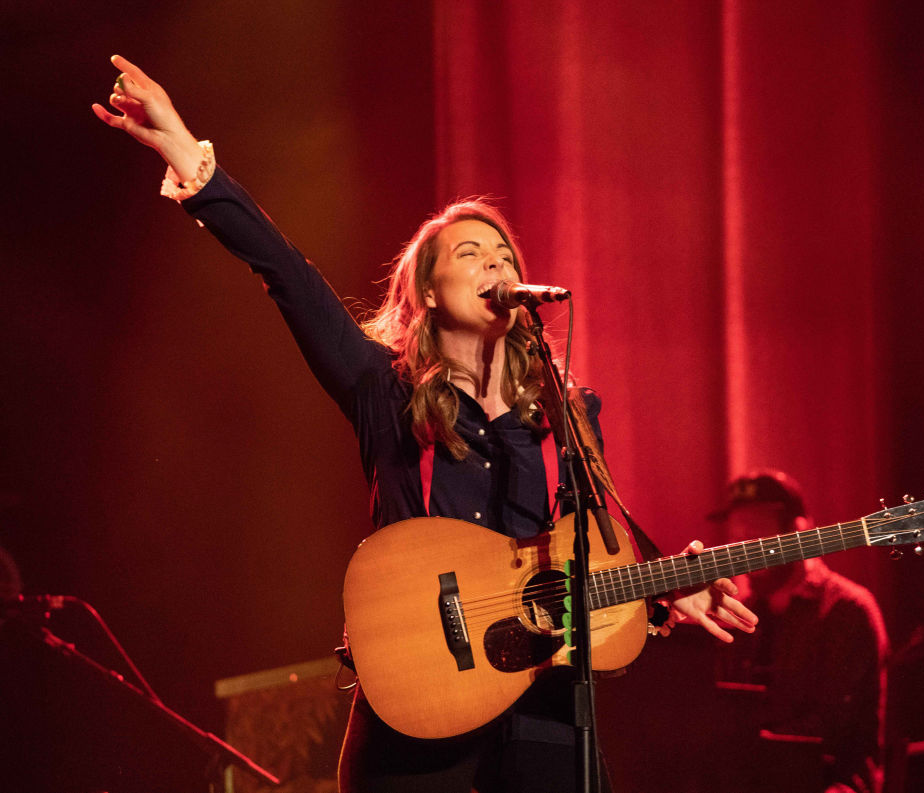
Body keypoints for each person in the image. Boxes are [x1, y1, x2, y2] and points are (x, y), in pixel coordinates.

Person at [91, 55, 759, 793]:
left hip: (540, 711)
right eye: (470, 254)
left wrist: (665, 586)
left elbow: (584, 543)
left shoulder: (568, 411)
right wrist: (190, 154)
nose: (494, 263)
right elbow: (290, 277)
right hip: (415, 707)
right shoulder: (383, 387)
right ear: (429, 293)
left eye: (504, 253)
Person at [706, 470, 888, 793]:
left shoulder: (847, 609)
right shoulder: (741, 612)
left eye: (757, 531)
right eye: (737, 535)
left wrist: (746, 746)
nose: (744, 547)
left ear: (797, 533)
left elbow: (833, 729)